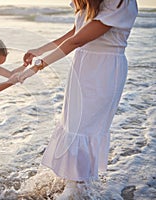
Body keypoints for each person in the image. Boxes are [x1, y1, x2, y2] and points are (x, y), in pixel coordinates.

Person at [20, 0, 138, 197]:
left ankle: (77, 188)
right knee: (72, 124)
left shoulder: (121, 2)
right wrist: (40, 50)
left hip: (104, 68)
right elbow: (76, 32)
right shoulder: (89, 3)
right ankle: (73, 179)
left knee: (85, 126)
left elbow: (77, 40)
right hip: (82, 63)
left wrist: (37, 67)